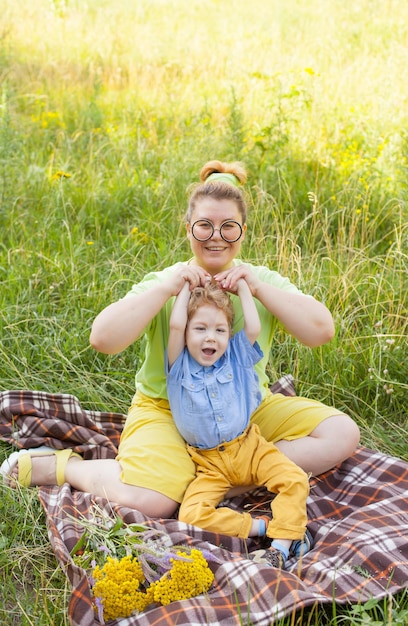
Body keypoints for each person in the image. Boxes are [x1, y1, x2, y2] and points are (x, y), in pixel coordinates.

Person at [2, 159, 360, 525]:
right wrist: (164, 290)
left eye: (228, 227)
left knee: (341, 433)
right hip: (167, 409)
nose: (216, 236)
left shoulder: (257, 280)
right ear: (188, 229)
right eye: (204, 226)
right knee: (149, 502)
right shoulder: (169, 280)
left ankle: (210, 482)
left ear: (243, 232)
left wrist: (258, 289)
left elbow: (321, 331)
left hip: (244, 410)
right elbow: (102, 339)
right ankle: (64, 468)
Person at [166, 277, 310, 568]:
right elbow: (175, 325)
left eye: (220, 330)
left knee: (295, 479)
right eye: (200, 329)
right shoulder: (179, 366)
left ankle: (280, 549)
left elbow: (254, 327)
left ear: (229, 335)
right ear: (186, 334)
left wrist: (244, 287)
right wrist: (183, 286)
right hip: (209, 464)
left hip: (250, 448)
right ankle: (263, 528)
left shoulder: (234, 355)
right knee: (190, 513)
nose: (211, 338)